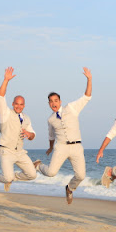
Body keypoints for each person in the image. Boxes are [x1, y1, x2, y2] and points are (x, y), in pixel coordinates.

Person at [34, 67, 92, 204]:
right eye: (50, 101)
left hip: (77, 146)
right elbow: (51, 135)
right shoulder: (50, 119)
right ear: (49, 104)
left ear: (60, 101)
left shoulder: (71, 108)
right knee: (51, 173)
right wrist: (50, 148)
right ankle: (38, 165)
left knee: (81, 175)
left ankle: (70, 188)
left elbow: (87, 97)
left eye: (55, 100)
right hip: (61, 147)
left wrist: (89, 79)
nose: (53, 103)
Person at [0, 67, 37, 192]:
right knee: (7, 177)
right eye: (16, 104)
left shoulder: (26, 118)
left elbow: (33, 136)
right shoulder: (5, 113)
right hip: (6, 151)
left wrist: (29, 134)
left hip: (20, 152)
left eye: (21, 104)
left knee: (32, 175)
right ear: (13, 104)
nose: (19, 106)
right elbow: (0, 96)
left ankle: (11, 178)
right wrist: (6, 80)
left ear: (24, 105)